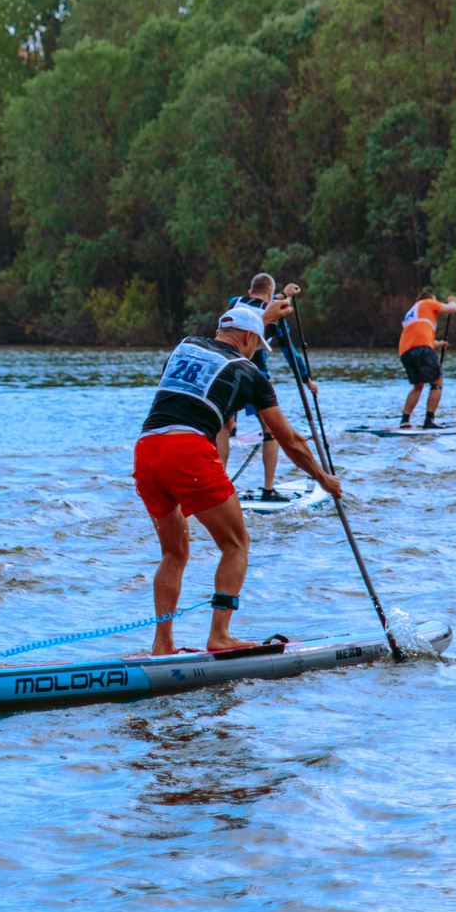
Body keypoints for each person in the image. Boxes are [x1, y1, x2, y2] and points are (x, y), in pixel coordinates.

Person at [134, 303, 343, 656]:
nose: (256, 352)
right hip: (186, 451)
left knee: (174, 553)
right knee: (236, 544)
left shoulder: (184, 346)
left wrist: (265, 318)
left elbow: (227, 341)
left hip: (146, 449)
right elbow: (289, 440)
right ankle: (220, 634)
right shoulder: (250, 373)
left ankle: (162, 643)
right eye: (257, 345)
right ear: (248, 339)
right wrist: (322, 478)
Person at [232, 273, 308, 499]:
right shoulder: (276, 316)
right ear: (269, 294)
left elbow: (258, 300)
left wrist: (282, 294)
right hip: (254, 375)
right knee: (271, 432)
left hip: (229, 371)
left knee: (224, 431)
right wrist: (307, 379)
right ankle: (268, 490)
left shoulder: (234, 303)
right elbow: (290, 353)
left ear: (249, 291)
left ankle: (219, 491)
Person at [396, 290, 456, 427]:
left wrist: (438, 344)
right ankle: (429, 421)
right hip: (422, 348)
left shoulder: (411, 313)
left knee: (418, 386)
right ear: (431, 299)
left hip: (405, 352)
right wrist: (452, 301)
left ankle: (405, 421)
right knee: (437, 383)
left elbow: (418, 337)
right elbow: (451, 309)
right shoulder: (427, 302)